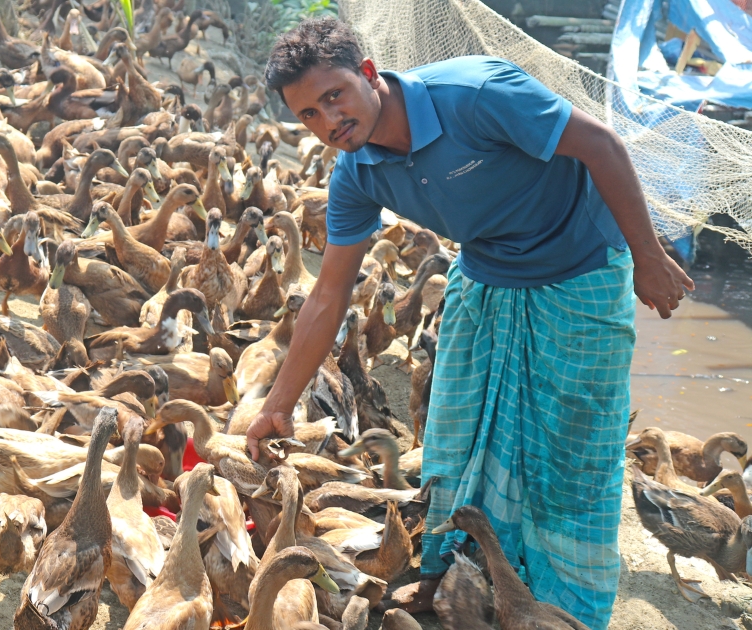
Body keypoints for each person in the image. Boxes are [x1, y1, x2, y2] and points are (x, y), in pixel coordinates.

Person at [246, 16, 693, 630]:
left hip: (582, 265)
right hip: (486, 275)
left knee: (572, 448)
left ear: (369, 76)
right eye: (308, 116)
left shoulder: (477, 96)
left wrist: (647, 256)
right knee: (456, 432)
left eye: (334, 96)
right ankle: (459, 571)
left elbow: (602, 147)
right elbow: (327, 294)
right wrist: (278, 401)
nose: (328, 122)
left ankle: (568, 606)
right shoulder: (357, 172)